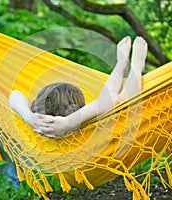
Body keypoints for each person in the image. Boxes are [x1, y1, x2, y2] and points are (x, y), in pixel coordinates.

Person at [10, 36, 148, 138]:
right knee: (122, 103)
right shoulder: (82, 127)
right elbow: (113, 98)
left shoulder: (38, 125)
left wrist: (28, 117)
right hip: (105, 138)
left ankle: (121, 64)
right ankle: (136, 65)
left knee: (104, 105)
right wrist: (70, 122)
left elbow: (14, 94)